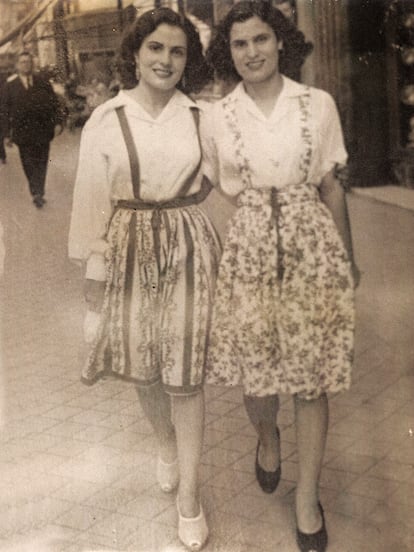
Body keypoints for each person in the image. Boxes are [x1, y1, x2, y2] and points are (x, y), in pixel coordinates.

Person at [202, 2, 359, 551]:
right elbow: (220, 193)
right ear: (229, 52)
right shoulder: (217, 116)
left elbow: (332, 186)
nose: (252, 52)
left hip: (311, 247)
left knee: (311, 379)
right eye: (240, 43)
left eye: (261, 39)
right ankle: (267, 436)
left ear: (281, 42)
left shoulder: (317, 104)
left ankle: (307, 498)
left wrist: (348, 259)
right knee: (258, 380)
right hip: (249, 253)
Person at [68, 8, 221, 551]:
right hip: (126, 247)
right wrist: (93, 270)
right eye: (155, 48)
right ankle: (165, 444)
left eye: (177, 52)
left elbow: (223, 179)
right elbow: (91, 204)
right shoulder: (107, 118)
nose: (165, 60)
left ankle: (189, 498)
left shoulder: (204, 116)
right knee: (144, 368)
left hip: (186, 246)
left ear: (189, 60)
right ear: (135, 53)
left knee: (185, 371)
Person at [0, 52, 64, 207]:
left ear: (32, 64)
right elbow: (4, 111)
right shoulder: (10, 86)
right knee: (28, 163)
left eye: (28, 62)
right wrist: (6, 134)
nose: (26, 65)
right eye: (22, 62)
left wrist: (57, 123)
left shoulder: (43, 83)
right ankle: (35, 191)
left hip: (43, 131)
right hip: (23, 134)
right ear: (17, 65)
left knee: (42, 162)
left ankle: (39, 190)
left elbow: (54, 104)